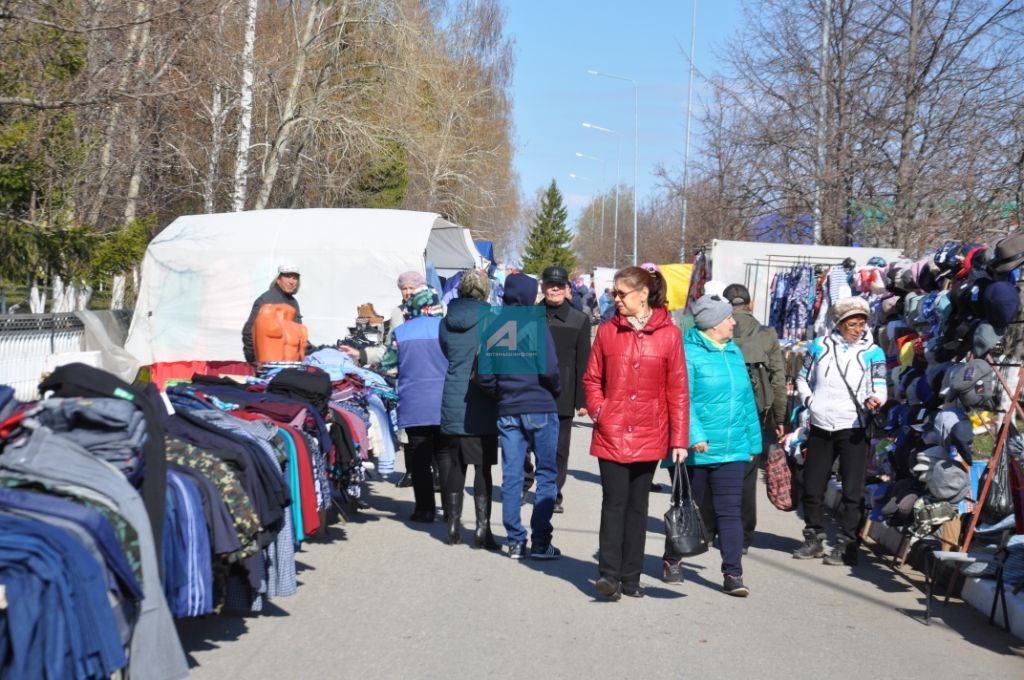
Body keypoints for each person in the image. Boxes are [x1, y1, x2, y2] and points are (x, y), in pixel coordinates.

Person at [584, 266, 689, 600]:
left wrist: (679, 439)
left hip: (649, 430)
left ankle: (631, 577)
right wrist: (600, 410)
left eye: (621, 293)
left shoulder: (669, 335)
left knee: (638, 507)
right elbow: (591, 378)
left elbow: (679, 390)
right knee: (613, 503)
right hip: (612, 430)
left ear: (643, 294)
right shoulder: (606, 331)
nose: (615, 299)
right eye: (614, 293)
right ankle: (609, 576)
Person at [662, 294, 761, 597]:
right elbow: (682, 398)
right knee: (688, 509)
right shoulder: (688, 354)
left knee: (730, 512)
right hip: (697, 450)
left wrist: (754, 443)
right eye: (728, 317)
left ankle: (733, 573)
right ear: (713, 324)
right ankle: (672, 559)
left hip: (732, 448)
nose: (733, 322)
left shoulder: (733, 352)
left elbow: (746, 402)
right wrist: (695, 435)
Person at [793, 296, 887, 566]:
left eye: (862, 324)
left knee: (852, 491)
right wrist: (810, 402)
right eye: (852, 324)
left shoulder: (873, 352)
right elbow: (803, 377)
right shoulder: (820, 346)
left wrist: (875, 399)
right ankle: (813, 538)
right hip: (821, 425)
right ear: (840, 323)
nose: (858, 329)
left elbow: (880, 385)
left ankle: (848, 544)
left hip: (853, 426)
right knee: (812, 485)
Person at [475, 273, 562, 560]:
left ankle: (515, 541)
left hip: (508, 409)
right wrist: (555, 391)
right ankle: (540, 541)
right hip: (539, 405)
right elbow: (549, 369)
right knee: (547, 474)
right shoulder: (536, 325)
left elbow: (484, 376)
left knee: (511, 476)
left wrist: (502, 393)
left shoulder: (493, 326)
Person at [699, 283, 787, 554]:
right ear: (749, 304)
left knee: (713, 469)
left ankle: (709, 529)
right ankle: (743, 535)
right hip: (755, 414)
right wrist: (780, 417)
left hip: (714, 409)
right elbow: (778, 379)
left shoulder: (712, 328)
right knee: (746, 475)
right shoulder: (766, 334)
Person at [437, 270, 500, 549]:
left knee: (455, 463)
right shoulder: (494, 321)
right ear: (486, 292)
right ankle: (482, 530)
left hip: (452, 396)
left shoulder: (445, 322)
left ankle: (452, 526)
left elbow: (447, 353)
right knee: (482, 467)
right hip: (482, 399)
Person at [381, 288, 447, 523]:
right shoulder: (447, 329)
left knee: (420, 458)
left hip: (414, 403)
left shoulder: (401, 332)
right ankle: (450, 509)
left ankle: (425, 509)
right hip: (445, 403)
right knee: (445, 456)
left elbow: (388, 368)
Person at [540, 265, 592, 513]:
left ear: (567, 289)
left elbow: (584, 361)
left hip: (564, 391)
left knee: (560, 449)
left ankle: (552, 493)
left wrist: (582, 399)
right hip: (531, 391)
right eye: (550, 284)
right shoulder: (528, 316)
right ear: (542, 287)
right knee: (529, 444)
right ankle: (528, 482)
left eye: (559, 285)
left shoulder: (579, 319)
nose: (555, 289)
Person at [242, 265, 302, 364]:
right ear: (278, 280)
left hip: (288, 361)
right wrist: (254, 358)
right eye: (287, 276)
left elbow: (297, 333)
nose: (292, 281)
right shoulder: (267, 300)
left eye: (295, 278)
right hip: (270, 362)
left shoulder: (293, 302)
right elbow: (249, 331)